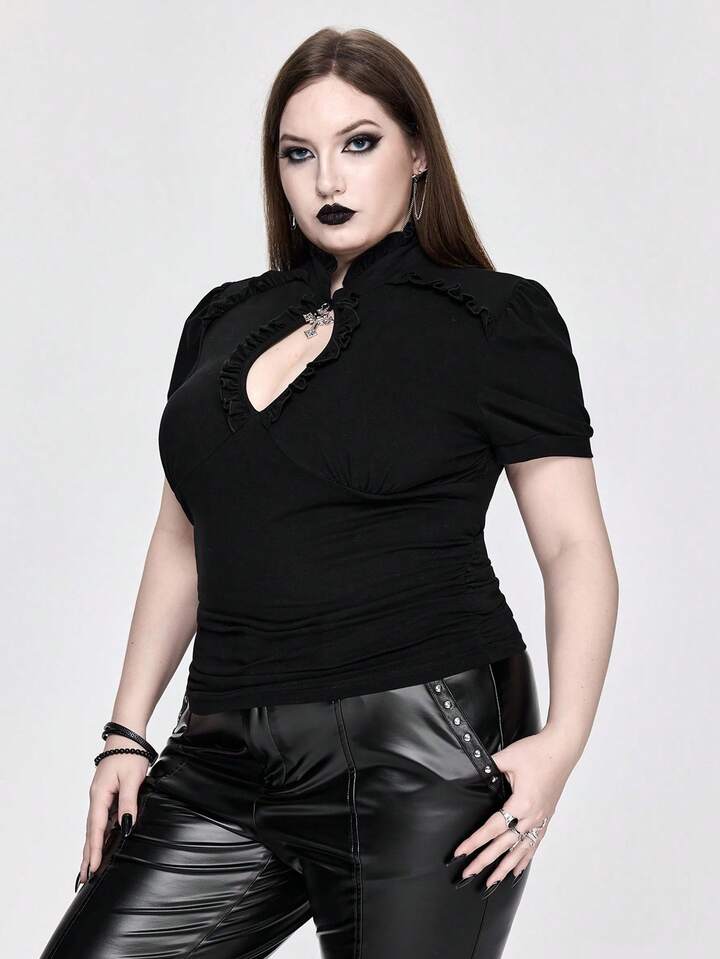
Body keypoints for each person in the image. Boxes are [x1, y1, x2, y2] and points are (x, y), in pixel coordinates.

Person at [39, 26, 618, 959]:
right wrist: (125, 731)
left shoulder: (495, 317)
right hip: (222, 753)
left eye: (359, 143)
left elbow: (572, 545)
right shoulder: (224, 320)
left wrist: (564, 741)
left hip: (419, 745)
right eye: (298, 153)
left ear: (417, 151)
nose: (327, 179)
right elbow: (183, 536)